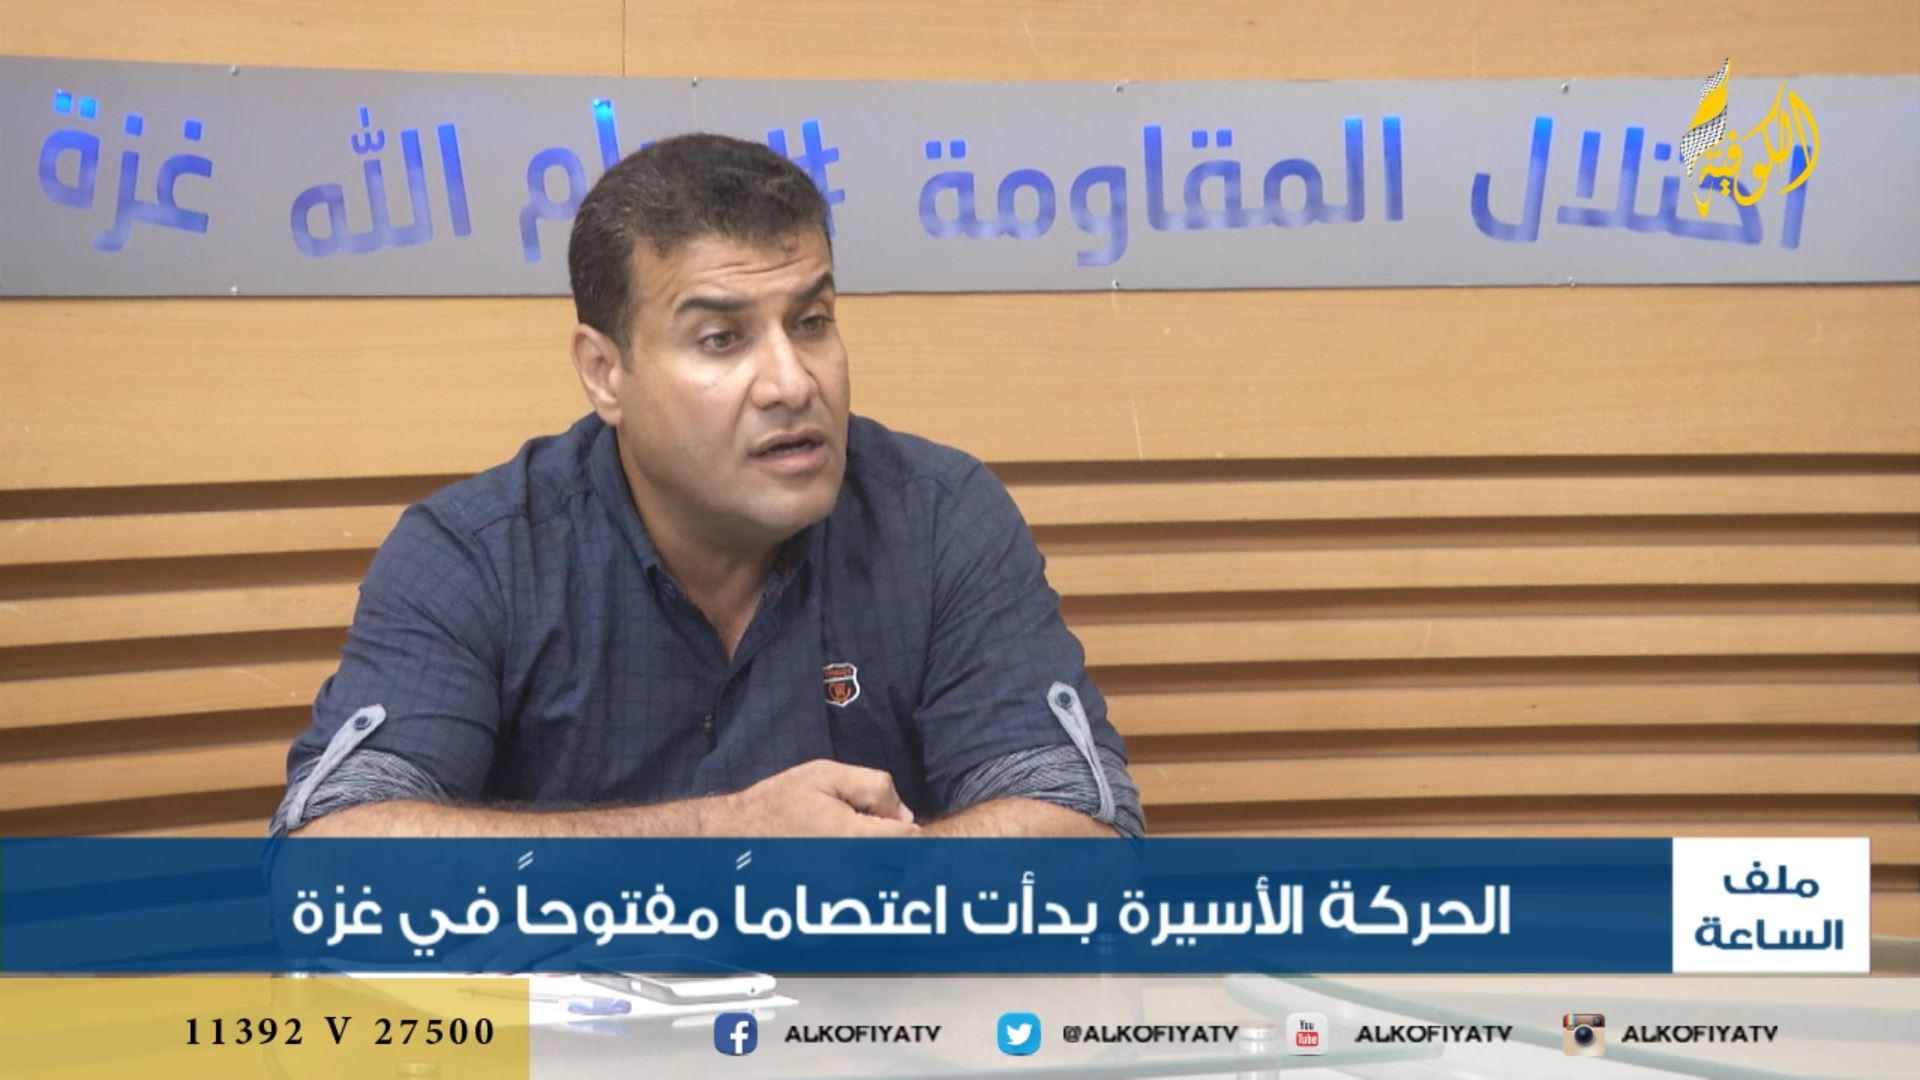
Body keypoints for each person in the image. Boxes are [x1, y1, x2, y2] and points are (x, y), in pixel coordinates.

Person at [273, 134, 1141, 839]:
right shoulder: (478, 555)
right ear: (604, 373)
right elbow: (329, 856)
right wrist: (720, 836)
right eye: (722, 340)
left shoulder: (939, 519)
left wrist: (879, 883)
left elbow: (1085, 830)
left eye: (812, 322)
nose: (792, 382)